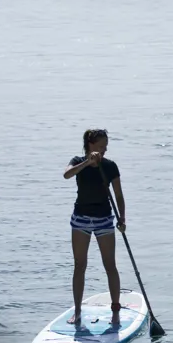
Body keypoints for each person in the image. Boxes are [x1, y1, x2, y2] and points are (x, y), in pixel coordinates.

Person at [63, 129, 126, 326]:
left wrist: (122, 218)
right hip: (81, 219)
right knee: (79, 265)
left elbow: (118, 195)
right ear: (90, 145)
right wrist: (87, 163)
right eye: (101, 146)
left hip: (104, 219)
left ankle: (115, 310)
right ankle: (78, 311)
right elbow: (66, 175)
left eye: (106, 146)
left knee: (110, 265)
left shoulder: (110, 166)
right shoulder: (76, 161)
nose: (104, 150)